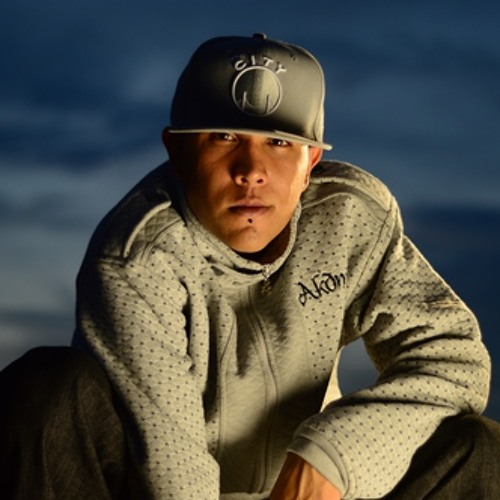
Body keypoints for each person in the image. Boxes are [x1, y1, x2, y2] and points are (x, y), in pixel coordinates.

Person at [0, 33, 499, 499]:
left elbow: (454, 359)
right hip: (158, 489)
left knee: (478, 447)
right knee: (48, 386)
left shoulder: (348, 219)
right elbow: (174, 472)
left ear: (311, 162)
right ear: (177, 151)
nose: (251, 171)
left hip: (306, 491)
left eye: (278, 143)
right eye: (223, 136)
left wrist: (334, 456)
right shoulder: (138, 257)